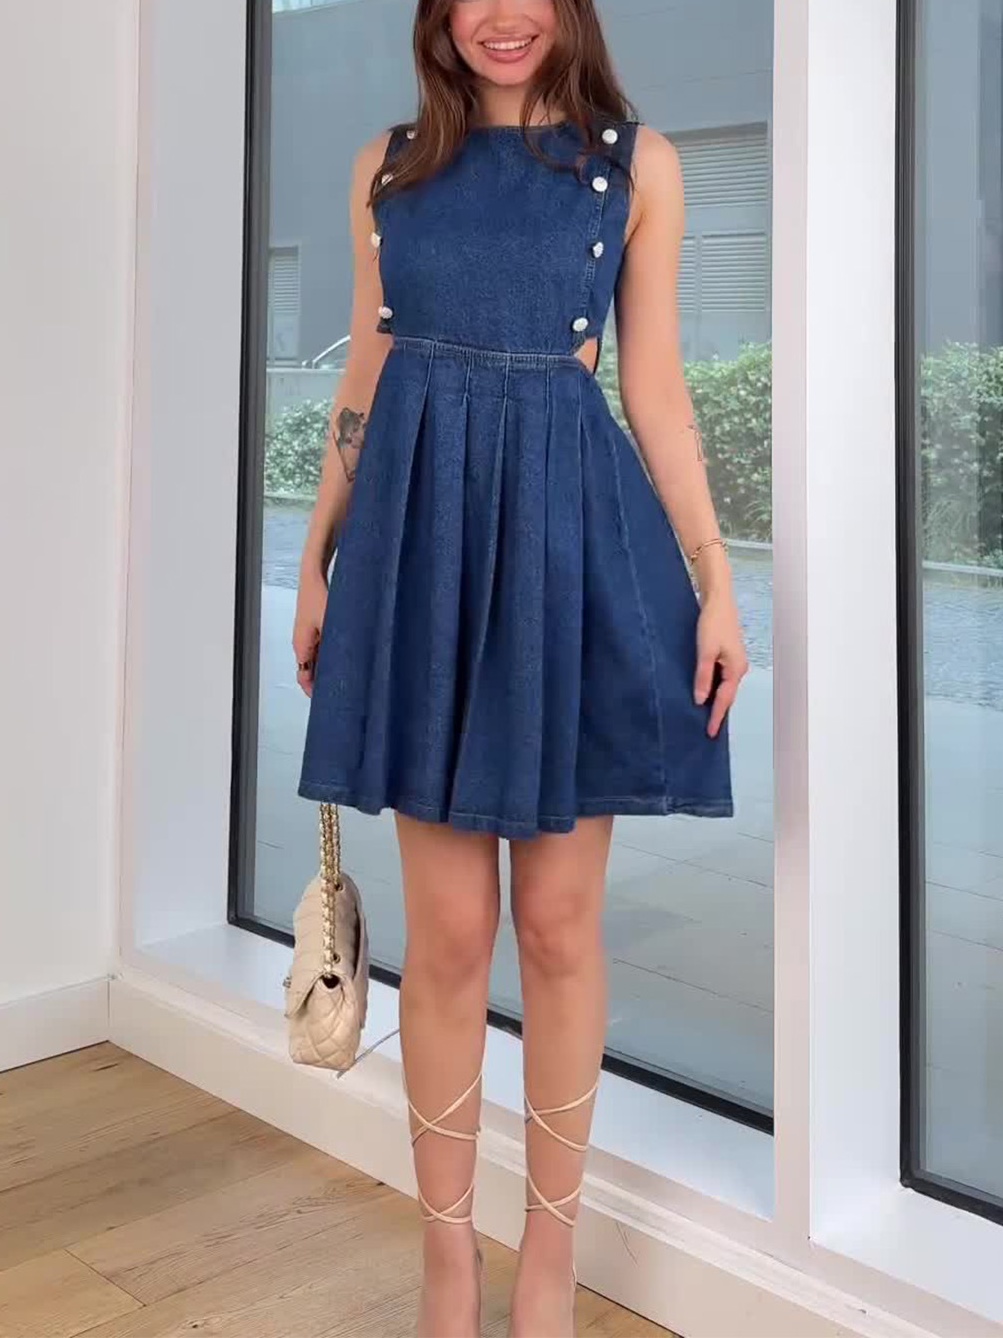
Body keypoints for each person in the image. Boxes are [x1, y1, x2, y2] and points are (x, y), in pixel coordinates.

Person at [293, 1, 748, 1333]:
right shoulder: (388, 169)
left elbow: (654, 389)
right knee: (449, 936)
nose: (502, 17)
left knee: (556, 927)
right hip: (421, 548)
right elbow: (366, 376)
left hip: (567, 549)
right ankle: (449, 1261)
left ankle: (550, 1260)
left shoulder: (635, 167)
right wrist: (318, 554)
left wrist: (716, 575)